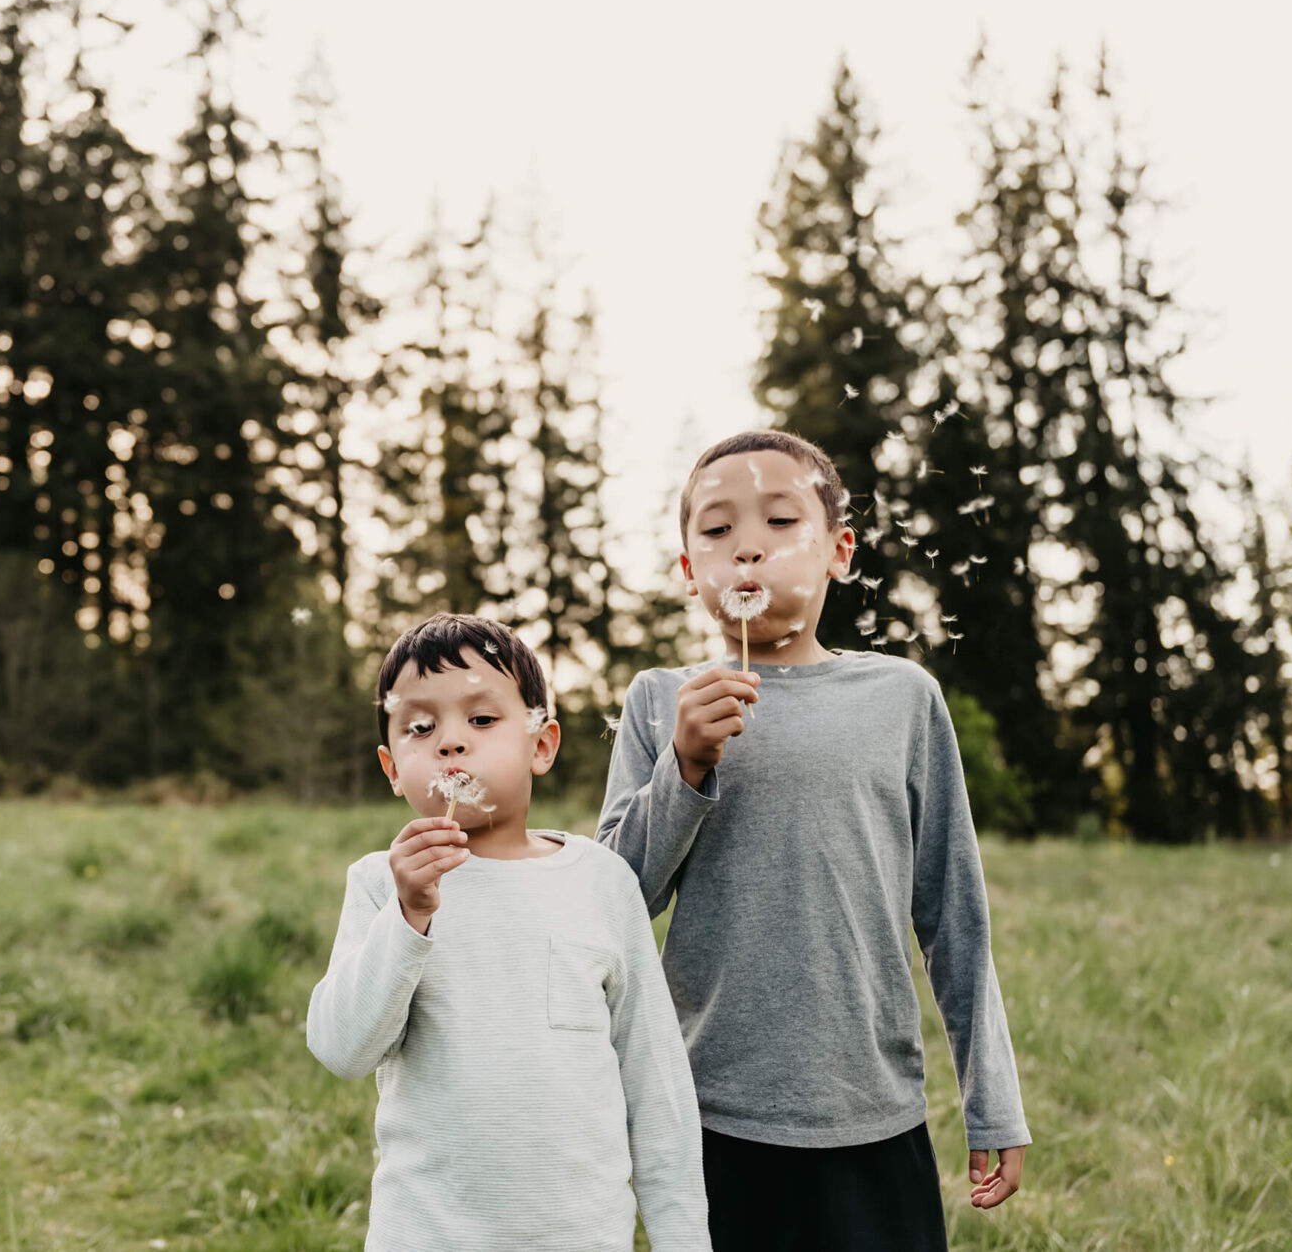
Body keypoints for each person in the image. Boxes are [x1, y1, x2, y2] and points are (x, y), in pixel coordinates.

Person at [597, 429, 1031, 1250]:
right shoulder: (660, 702)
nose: (748, 546)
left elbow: (955, 916)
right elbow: (617, 898)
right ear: (690, 572)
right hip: (712, 1113)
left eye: (780, 520)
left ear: (840, 550)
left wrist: (992, 1096)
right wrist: (684, 768)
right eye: (718, 530)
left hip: (872, 1111)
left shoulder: (902, 698)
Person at [306, 612, 710, 1252]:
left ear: (542, 745)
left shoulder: (601, 883)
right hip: (427, 1235)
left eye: (482, 719)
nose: (450, 742)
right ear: (391, 767)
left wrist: (684, 1239)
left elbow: (654, 1079)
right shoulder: (383, 885)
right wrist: (408, 916)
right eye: (421, 727)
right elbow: (341, 1047)